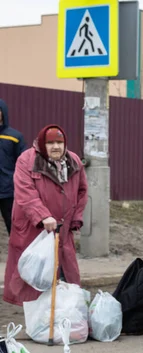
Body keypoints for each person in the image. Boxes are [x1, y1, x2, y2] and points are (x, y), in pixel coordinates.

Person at [3, 125, 88, 306]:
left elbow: (82, 190)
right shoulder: (27, 160)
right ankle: (39, 322)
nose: (55, 147)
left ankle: (62, 320)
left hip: (62, 231)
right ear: (42, 144)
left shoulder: (73, 161)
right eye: (50, 143)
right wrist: (43, 216)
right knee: (34, 280)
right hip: (34, 231)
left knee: (65, 277)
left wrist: (76, 218)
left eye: (59, 142)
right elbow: (25, 193)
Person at [0, 99, 26, 235]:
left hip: (8, 190)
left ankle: (17, 254)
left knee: (14, 226)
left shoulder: (14, 137)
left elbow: (24, 163)